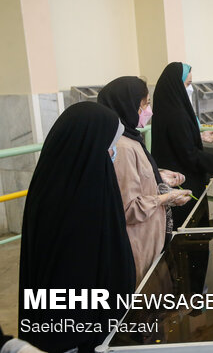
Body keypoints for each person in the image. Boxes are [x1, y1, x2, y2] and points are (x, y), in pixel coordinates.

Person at [19, 102, 135, 352]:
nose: (113, 153)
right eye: (110, 146)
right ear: (90, 145)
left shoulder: (64, 181)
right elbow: (70, 280)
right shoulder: (78, 200)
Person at [98, 76, 192, 284]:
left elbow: (135, 178)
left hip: (151, 235)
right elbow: (128, 208)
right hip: (138, 242)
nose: (149, 110)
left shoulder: (130, 137)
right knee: (144, 303)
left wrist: (157, 175)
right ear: (129, 105)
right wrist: (165, 198)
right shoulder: (121, 146)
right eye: (146, 104)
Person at [151, 62, 213, 228]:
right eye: (188, 84)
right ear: (177, 85)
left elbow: (178, 140)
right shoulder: (176, 114)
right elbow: (189, 154)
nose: (190, 89)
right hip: (182, 183)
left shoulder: (167, 107)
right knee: (188, 230)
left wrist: (198, 136)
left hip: (177, 179)